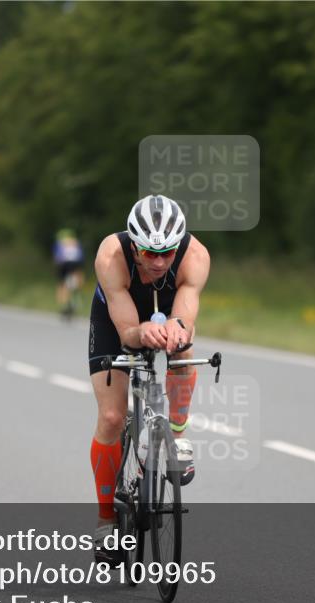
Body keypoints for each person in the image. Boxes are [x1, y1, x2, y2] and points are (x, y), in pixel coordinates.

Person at [87, 194, 210, 563]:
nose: (158, 262)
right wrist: (142, 335)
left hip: (166, 312)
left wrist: (177, 329)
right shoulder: (111, 256)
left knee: (182, 344)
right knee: (111, 417)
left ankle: (178, 433)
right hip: (118, 318)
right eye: (149, 253)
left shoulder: (196, 256)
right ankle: (106, 521)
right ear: (134, 245)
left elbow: (185, 310)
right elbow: (126, 330)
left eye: (167, 254)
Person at [53, 228, 84, 317]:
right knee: (75, 281)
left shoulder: (59, 243)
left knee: (62, 284)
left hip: (64, 264)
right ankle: (75, 298)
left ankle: (63, 304)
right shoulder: (76, 242)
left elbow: (57, 258)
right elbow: (81, 256)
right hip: (76, 264)